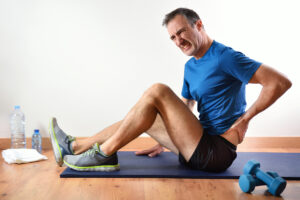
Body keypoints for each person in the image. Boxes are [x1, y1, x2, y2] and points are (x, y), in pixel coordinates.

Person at [49, 8, 292, 172]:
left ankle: (104, 153)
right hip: (197, 145)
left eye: (182, 32)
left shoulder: (225, 57)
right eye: (173, 37)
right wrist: (167, 139)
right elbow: (186, 109)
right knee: (144, 114)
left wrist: (245, 119)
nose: (178, 41)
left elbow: (279, 82)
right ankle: (75, 146)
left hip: (216, 152)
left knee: (157, 90)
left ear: (198, 25)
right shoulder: (191, 66)